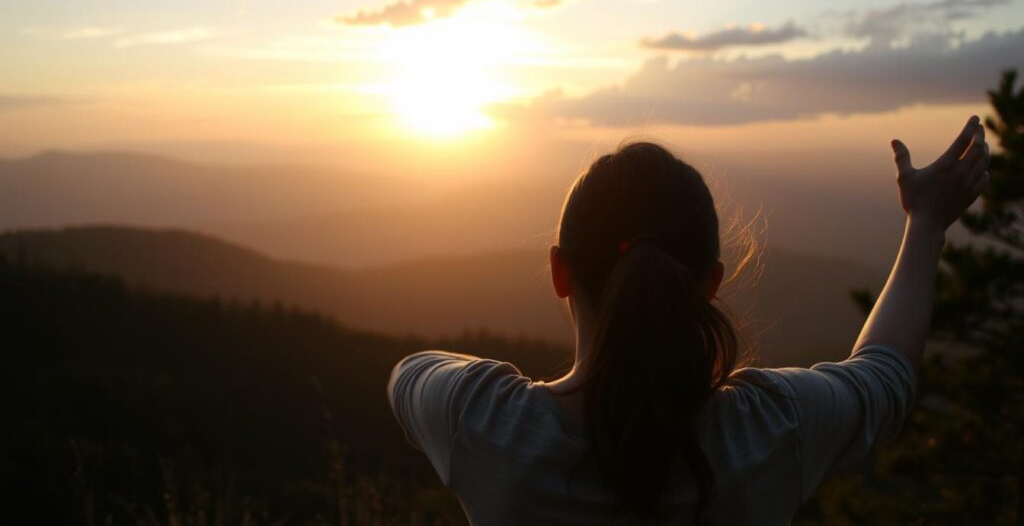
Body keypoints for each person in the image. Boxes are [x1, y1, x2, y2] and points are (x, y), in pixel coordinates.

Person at [387, 117, 990, 525]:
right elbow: (884, 379)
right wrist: (927, 224)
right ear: (709, 286)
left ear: (559, 274)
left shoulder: (487, 424)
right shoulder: (772, 431)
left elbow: (408, 375)